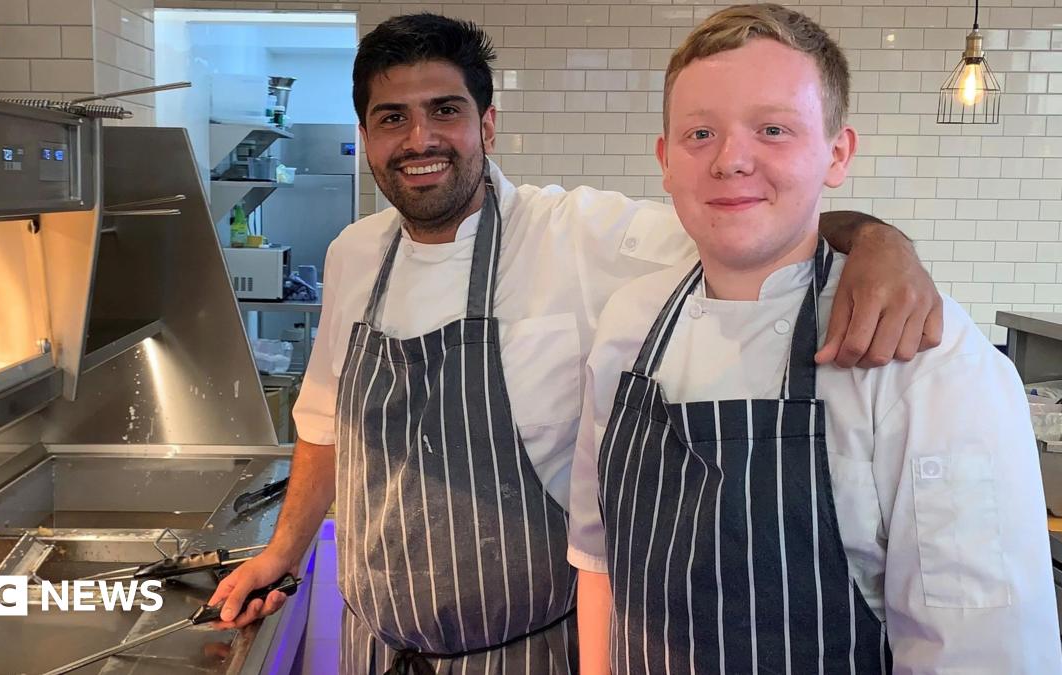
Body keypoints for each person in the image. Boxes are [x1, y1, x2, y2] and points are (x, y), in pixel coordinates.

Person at [209, 13, 943, 674]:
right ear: (368, 136)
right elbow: (324, 419)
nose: (420, 139)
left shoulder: (577, 233)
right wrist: (283, 552)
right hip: (378, 648)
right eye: (392, 117)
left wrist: (876, 239)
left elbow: (742, 217)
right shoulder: (353, 254)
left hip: (527, 652)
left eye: (446, 111)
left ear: (487, 125)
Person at [567, 5, 1061, 673]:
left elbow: (981, 651)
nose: (731, 160)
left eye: (773, 129)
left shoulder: (927, 360)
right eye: (700, 132)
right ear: (665, 161)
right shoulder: (627, 325)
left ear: (837, 153)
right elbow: (599, 562)